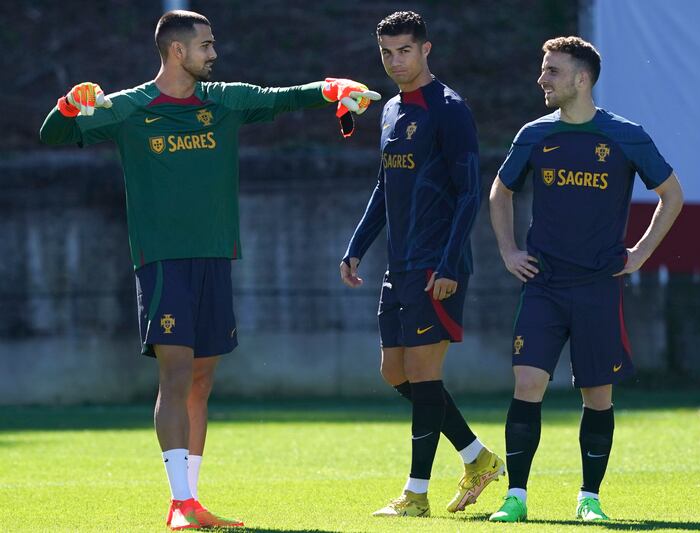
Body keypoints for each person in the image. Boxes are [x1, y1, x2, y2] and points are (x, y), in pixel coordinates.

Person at [39, 10, 379, 530]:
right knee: (174, 373)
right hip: (162, 262)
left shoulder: (225, 100)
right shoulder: (129, 108)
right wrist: (67, 107)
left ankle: (192, 501)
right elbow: (55, 136)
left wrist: (331, 88)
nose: (213, 54)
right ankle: (179, 503)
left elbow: (282, 97)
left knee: (202, 378)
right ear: (177, 51)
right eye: (206, 45)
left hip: (215, 258)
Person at [487, 36, 684, 523]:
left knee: (597, 394)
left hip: (598, 286)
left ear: (581, 79)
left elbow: (671, 194)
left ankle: (589, 498)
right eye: (543, 68)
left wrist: (639, 253)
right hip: (545, 285)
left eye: (552, 70)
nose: (542, 78)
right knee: (527, 381)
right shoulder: (533, 134)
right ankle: (516, 496)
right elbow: (500, 190)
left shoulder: (625, 134)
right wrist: (509, 250)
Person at [339, 11, 504, 518]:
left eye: (404, 50)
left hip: (439, 264)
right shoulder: (390, 110)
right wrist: (356, 246)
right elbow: (384, 187)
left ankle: (415, 494)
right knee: (395, 372)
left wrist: (450, 263)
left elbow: (469, 192)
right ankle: (478, 458)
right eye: (387, 52)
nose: (395, 61)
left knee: (425, 373)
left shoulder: (450, 109)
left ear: (426, 50)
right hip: (400, 264)